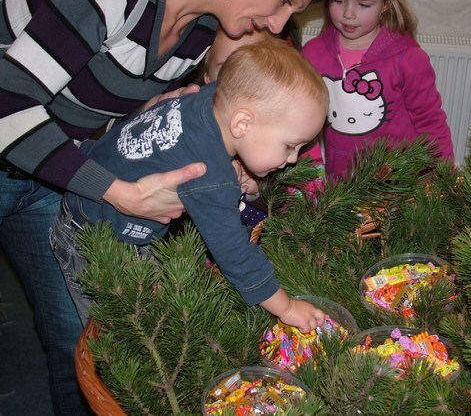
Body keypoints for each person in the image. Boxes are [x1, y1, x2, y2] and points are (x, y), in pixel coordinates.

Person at [0, 0, 332, 413]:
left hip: (71, 181)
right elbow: (234, 253)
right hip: (87, 219)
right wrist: (287, 308)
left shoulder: (205, 60)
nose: (278, 24)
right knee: (117, 346)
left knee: (83, 343)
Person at [50, 39, 329, 333]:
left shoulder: (207, 98)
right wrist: (287, 308)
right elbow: (234, 253)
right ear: (242, 124)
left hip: (99, 202)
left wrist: (237, 160)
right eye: (289, 146)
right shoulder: (208, 173)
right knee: (119, 332)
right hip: (93, 241)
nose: (293, 159)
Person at [301, 0, 454, 179]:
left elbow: (430, 123)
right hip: (341, 181)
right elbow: (301, 121)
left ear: (386, 5)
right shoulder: (313, 53)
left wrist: (443, 177)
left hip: (398, 180)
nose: (348, 14)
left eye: (363, 4)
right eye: (338, 0)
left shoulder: (408, 59)